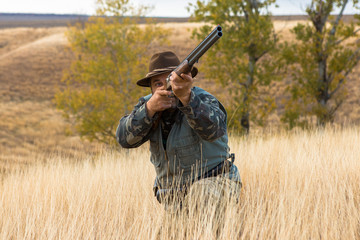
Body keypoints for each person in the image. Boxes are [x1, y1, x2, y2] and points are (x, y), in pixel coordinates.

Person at [116, 51, 241, 209]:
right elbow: (123, 139)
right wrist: (148, 110)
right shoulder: (148, 107)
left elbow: (214, 130)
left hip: (216, 184)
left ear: (183, 79)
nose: (166, 88)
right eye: (158, 84)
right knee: (162, 234)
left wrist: (187, 99)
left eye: (170, 80)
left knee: (202, 194)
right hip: (176, 198)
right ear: (151, 90)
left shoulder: (202, 99)